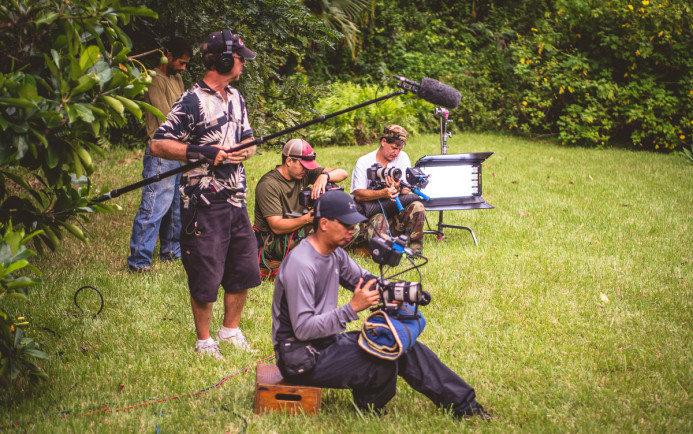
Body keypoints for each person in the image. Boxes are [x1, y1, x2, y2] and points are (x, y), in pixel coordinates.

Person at [271, 190, 490, 419]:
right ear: (324, 223)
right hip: (301, 358)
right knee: (384, 359)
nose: (352, 230)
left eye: (354, 224)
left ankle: (467, 407)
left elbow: (365, 280)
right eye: (346, 225)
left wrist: (394, 292)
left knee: (399, 342)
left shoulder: (335, 253)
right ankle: (369, 407)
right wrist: (352, 308)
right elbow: (304, 329)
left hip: (327, 342)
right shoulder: (302, 264)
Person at [149, 30, 261, 358]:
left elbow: (250, 140)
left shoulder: (237, 97)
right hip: (202, 202)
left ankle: (230, 331)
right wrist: (203, 151)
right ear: (224, 60)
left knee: (242, 268)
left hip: (236, 199)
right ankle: (204, 341)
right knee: (205, 270)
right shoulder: (192, 100)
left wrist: (244, 151)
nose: (243, 64)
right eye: (240, 58)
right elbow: (158, 143)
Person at [127, 37, 192, 273]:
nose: (184, 68)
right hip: (161, 150)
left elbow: (186, 107)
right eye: (181, 62)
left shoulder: (177, 78)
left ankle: (171, 253)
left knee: (175, 205)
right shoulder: (154, 78)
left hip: (179, 149)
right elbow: (169, 118)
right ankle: (139, 261)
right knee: (155, 204)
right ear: (168, 56)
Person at [253, 138, 348, 265]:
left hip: (297, 227)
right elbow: (276, 226)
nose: (306, 170)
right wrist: (308, 219)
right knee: (325, 230)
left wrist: (324, 176)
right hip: (271, 240)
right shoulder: (268, 184)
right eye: (303, 166)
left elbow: (343, 173)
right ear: (288, 161)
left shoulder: (303, 173)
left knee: (344, 222)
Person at [350, 125, 426, 253]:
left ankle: (414, 250)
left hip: (393, 212)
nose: (396, 153)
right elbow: (358, 195)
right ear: (383, 142)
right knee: (378, 218)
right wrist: (382, 193)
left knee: (417, 206)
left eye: (399, 149)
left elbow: (406, 190)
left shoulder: (402, 157)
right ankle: (385, 251)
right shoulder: (364, 162)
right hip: (370, 216)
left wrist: (397, 187)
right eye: (394, 148)